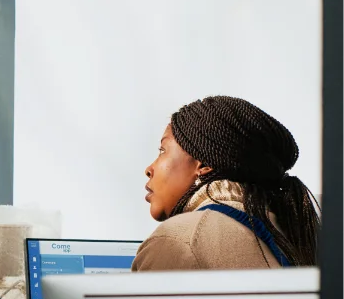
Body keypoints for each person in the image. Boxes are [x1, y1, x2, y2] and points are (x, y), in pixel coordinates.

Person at [132, 95, 321, 271]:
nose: (149, 169)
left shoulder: (178, 241)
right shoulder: (287, 232)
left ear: (204, 164)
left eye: (162, 150)